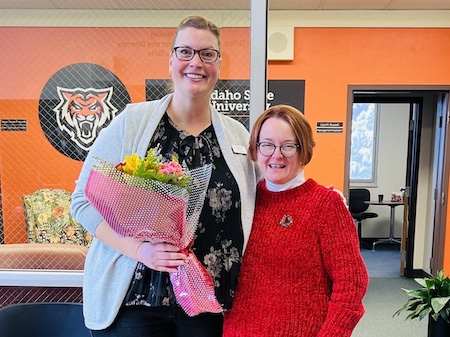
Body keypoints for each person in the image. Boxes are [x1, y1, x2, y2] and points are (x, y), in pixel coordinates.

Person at [70, 16, 260, 337]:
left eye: (207, 54)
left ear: (219, 64)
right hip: (135, 301)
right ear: (171, 60)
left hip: (209, 305)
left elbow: (258, 212)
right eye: (185, 51)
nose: (195, 62)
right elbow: (82, 203)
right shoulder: (132, 122)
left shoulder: (238, 136)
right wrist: (139, 250)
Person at [223, 104, 369, 337]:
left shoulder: (326, 205)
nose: (276, 155)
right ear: (255, 149)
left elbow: (351, 283)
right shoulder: (244, 200)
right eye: (267, 145)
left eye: (288, 146)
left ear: (303, 151)